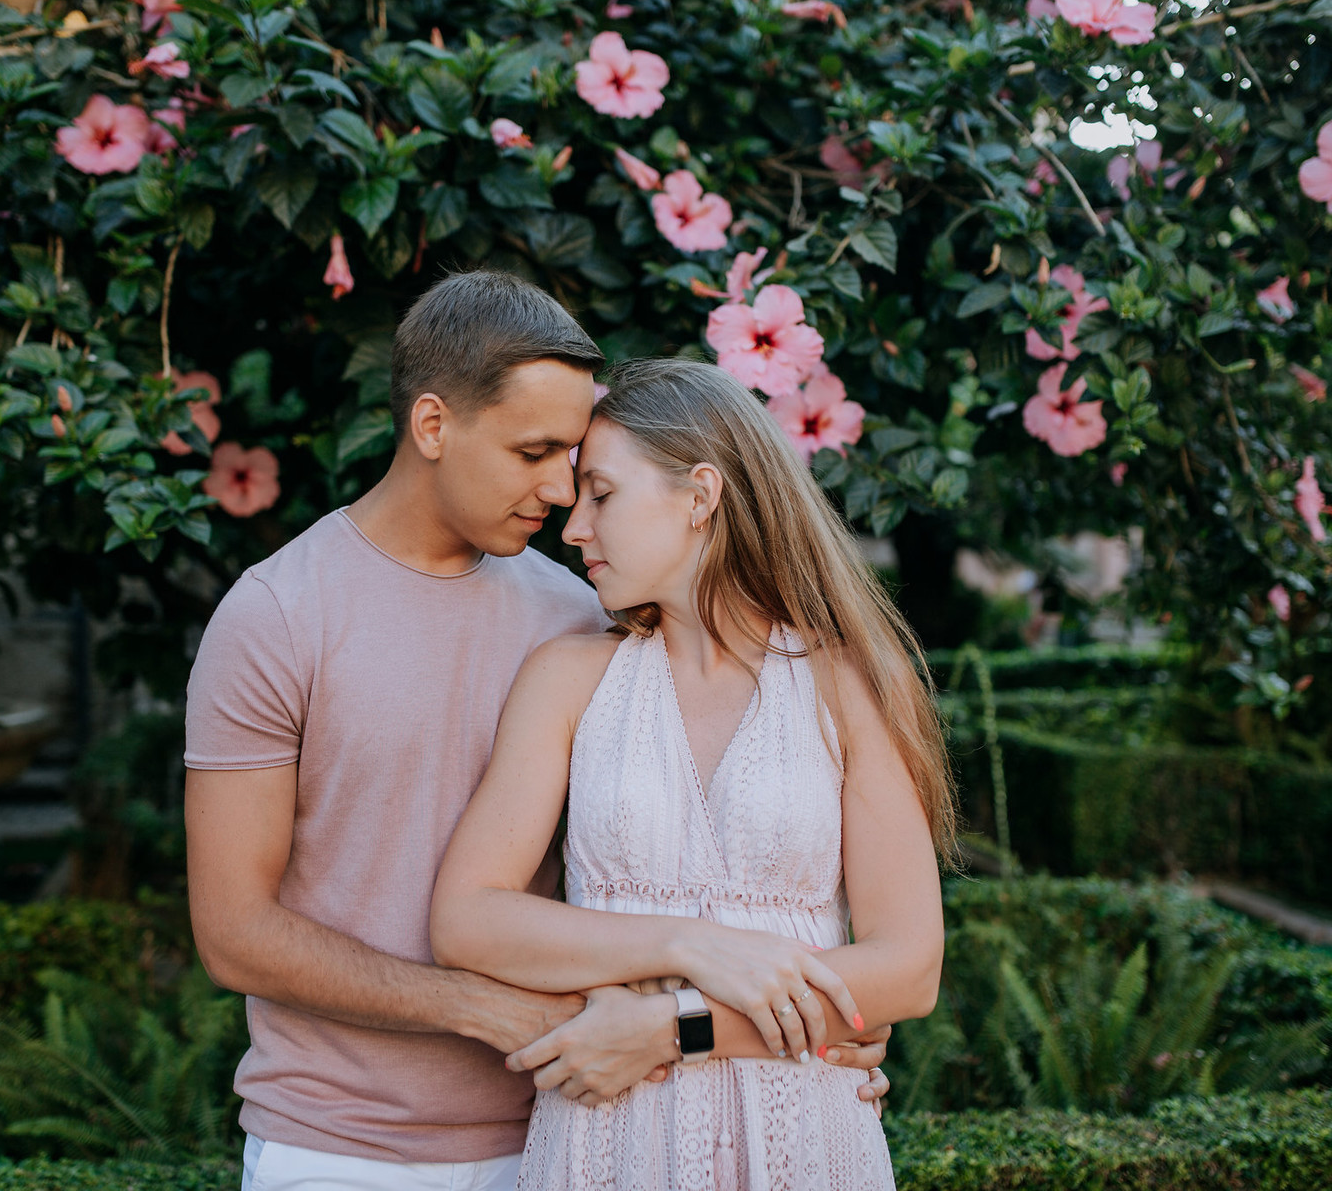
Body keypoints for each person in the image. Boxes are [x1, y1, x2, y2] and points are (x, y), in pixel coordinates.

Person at [184, 271, 891, 1191]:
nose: (562, 491)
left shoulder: (591, 617)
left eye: (575, 460)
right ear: (433, 427)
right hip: (343, 1146)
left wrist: (805, 1037)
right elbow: (235, 933)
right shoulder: (278, 615)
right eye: (535, 452)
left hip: (584, 1126)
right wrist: (494, 1011)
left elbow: (720, 838)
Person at [431, 357, 956, 1189]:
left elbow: (908, 967)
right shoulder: (569, 681)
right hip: (610, 1136)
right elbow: (468, 918)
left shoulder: (846, 685)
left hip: (803, 1137)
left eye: (602, 494)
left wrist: (673, 1027)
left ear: (700, 496)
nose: (574, 528)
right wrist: (691, 946)